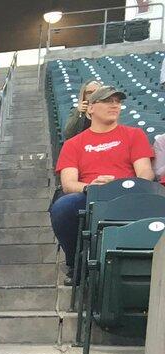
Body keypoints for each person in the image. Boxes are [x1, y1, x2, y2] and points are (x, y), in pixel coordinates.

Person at [51, 85, 153, 280]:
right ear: (90, 108)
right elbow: (69, 183)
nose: (114, 105)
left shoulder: (134, 135)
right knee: (63, 207)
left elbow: (145, 173)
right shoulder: (74, 144)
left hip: (128, 194)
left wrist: (121, 184)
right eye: (107, 101)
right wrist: (91, 186)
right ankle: (76, 263)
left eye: (117, 101)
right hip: (91, 196)